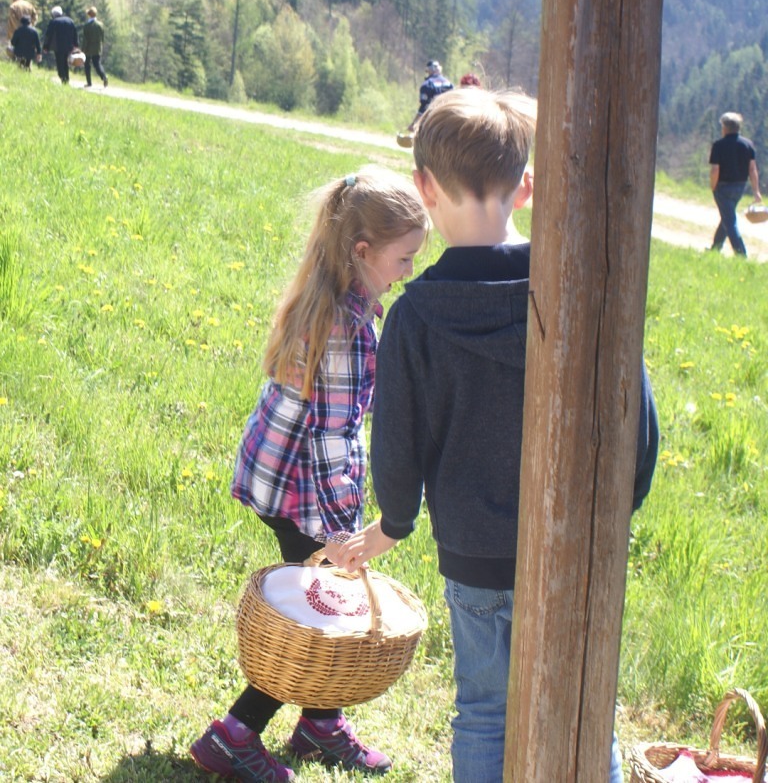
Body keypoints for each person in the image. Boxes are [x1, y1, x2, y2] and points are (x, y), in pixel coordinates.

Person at [332, 88, 660, 783]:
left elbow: (397, 445)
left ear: (424, 189)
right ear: (526, 186)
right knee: (586, 708)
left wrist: (393, 523)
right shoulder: (582, 287)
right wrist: (612, 513)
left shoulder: (416, 315)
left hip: (475, 558)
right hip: (576, 549)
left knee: (484, 710)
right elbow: (638, 422)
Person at [190, 166, 429, 782]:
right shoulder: (346, 328)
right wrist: (341, 530)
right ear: (363, 251)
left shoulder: (330, 299)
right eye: (404, 258)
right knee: (316, 615)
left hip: (277, 475)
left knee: (318, 602)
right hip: (303, 489)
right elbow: (331, 436)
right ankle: (233, 736)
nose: (410, 271)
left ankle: (320, 724)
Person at [707, 111, 761, 257]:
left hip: (722, 187)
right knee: (727, 217)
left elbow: (715, 170)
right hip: (740, 187)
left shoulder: (718, 145)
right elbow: (752, 169)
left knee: (730, 222)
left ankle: (741, 254)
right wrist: (756, 191)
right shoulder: (748, 144)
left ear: (725, 127)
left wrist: (713, 186)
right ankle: (715, 249)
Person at [407, 59, 453, 131]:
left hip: (434, 119)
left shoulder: (427, 85)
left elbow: (424, 106)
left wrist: (414, 123)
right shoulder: (449, 83)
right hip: (449, 117)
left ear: (429, 70)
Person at [43, 6, 78, 84]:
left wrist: (46, 47)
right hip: (69, 46)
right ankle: (66, 78)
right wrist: (76, 44)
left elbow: (49, 35)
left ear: (53, 14)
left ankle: (62, 77)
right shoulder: (70, 21)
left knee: (60, 62)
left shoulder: (53, 22)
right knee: (65, 62)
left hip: (58, 46)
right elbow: (75, 33)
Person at [81, 6, 108, 88]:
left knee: (87, 65)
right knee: (97, 64)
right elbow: (102, 37)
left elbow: (85, 39)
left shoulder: (87, 26)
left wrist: (83, 49)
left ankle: (89, 82)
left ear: (89, 15)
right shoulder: (100, 25)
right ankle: (104, 76)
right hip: (97, 48)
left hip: (88, 48)